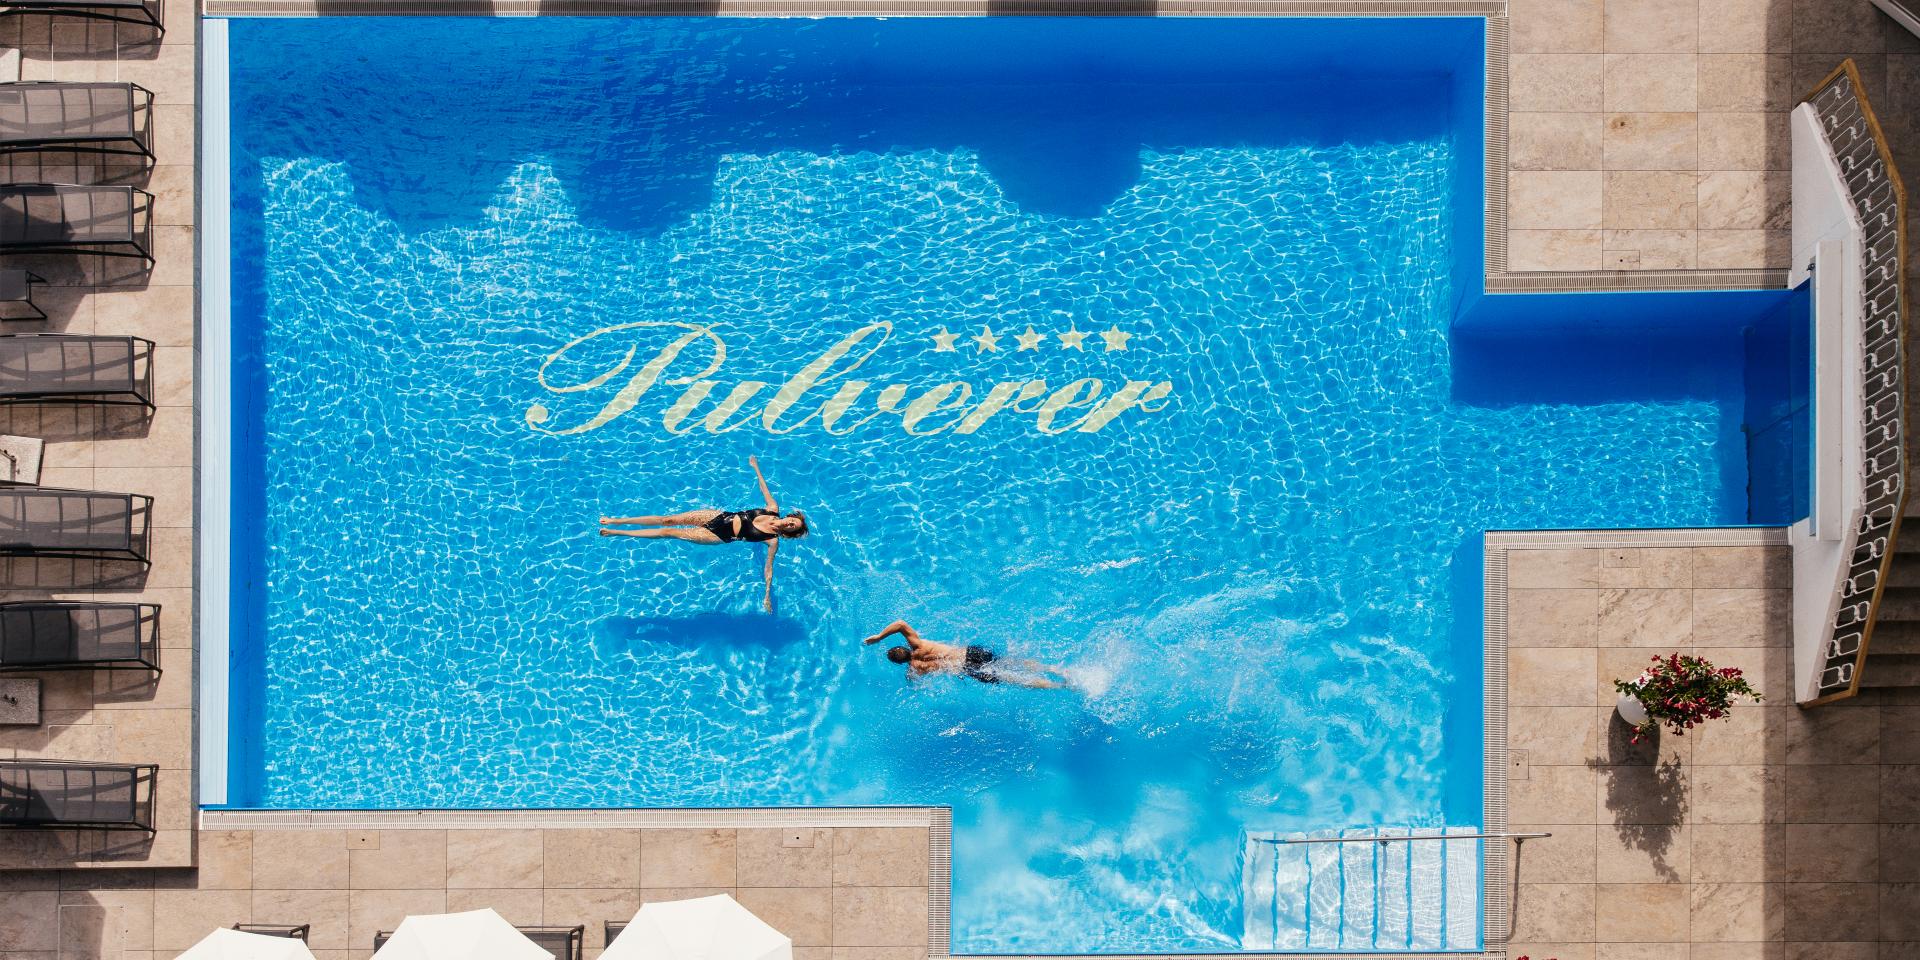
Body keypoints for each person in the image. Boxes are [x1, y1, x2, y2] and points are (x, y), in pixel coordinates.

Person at [600, 456, 806, 612]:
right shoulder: (772, 508)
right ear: (790, 516)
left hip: (719, 536)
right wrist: (756, 467)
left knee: (668, 532)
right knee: (668, 519)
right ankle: (616, 519)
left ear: (789, 532)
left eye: (792, 527)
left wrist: (767, 594)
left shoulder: (771, 540)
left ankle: (617, 532)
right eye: (792, 521)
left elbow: (769, 568)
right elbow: (764, 488)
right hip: (719, 516)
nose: (789, 523)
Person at [861, 620, 1071, 690]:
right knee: (1011, 663)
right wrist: (879, 637)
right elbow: (900, 624)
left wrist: (909, 677)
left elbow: (913, 683)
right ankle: (1053, 669)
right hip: (970, 654)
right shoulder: (918, 645)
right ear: (905, 648)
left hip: (967, 669)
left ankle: (1059, 686)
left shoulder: (915, 668)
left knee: (1012, 679)